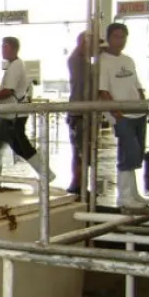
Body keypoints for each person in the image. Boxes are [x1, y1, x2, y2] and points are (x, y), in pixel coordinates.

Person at [98, 23, 149, 210]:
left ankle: (134, 193)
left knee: (137, 153)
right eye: (116, 36)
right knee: (128, 153)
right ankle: (124, 196)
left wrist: (144, 104)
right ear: (108, 38)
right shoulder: (103, 62)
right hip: (122, 115)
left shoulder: (128, 60)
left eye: (123, 37)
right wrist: (116, 113)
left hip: (138, 112)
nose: (120, 41)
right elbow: (103, 91)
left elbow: (137, 85)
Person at [0, 37, 54, 181]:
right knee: (5, 145)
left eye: (5, 46)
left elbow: (8, 91)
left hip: (14, 114)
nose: (2, 49)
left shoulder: (16, 66)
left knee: (19, 146)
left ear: (13, 48)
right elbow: (6, 89)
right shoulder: (13, 66)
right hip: (8, 113)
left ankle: (46, 173)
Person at [67, 32, 90, 194]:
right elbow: (76, 53)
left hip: (88, 113)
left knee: (85, 150)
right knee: (79, 151)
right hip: (78, 113)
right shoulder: (75, 61)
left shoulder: (89, 64)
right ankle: (77, 183)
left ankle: (81, 183)